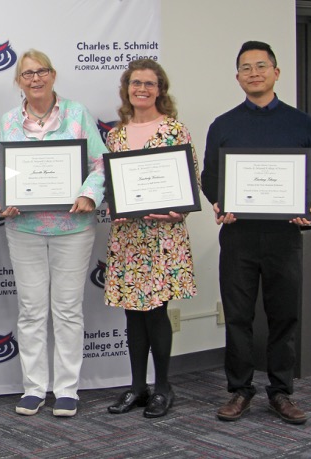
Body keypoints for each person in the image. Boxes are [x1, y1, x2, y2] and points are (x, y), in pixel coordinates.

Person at [200, 41, 311, 425]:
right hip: (239, 236)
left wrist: (308, 202)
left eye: (261, 66)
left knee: (283, 315)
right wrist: (219, 202)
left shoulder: (301, 123)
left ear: (276, 72)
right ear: (237, 76)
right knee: (238, 316)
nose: (253, 73)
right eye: (245, 68)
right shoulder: (223, 125)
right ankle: (239, 391)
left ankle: (281, 392)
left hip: (284, 236)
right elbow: (210, 177)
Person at [0, 49, 106, 417]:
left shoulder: (77, 114)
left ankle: (67, 389)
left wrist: (90, 193)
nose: (35, 78)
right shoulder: (9, 120)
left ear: (53, 75)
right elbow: (2, 172)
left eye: (41, 71)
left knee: (68, 310)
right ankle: (34, 387)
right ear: (18, 81)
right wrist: (2, 199)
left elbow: (100, 164)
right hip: (24, 227)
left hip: (72, 228)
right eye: (27, 74)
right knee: (30, 311)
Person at [103, 59, 198, 418]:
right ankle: (137, 387)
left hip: (162, 234)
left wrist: (180, 210)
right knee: (132, 313)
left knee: (156, 312)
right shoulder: (116, 134)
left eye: (149, 83)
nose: (141, 89)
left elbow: (192, 178)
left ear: (160, 90)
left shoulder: (175, 130)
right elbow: (112, 183)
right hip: (128, 235)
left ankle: (163, 388)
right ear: (127, 88)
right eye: (135, 83)